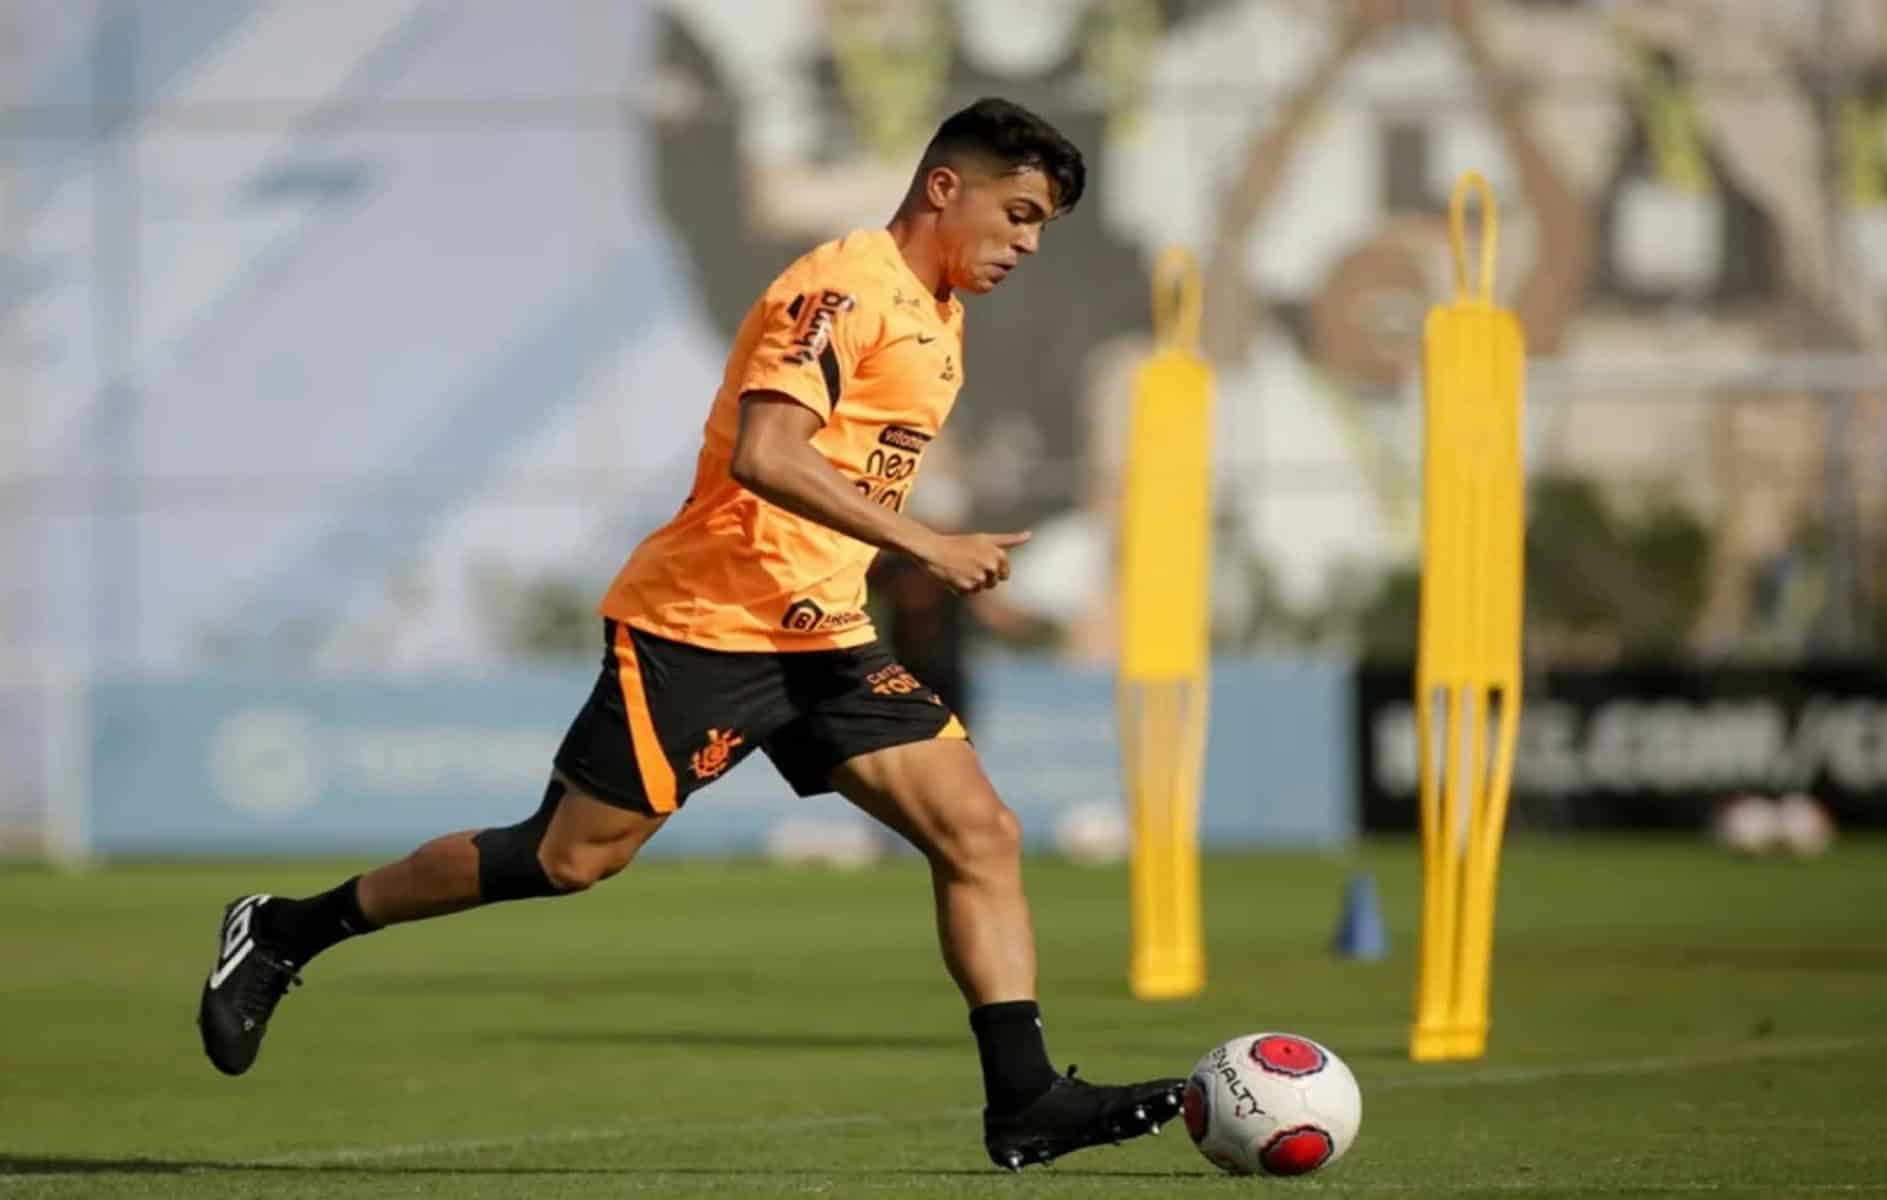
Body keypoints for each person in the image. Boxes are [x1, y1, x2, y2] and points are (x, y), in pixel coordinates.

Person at [196, 97, 1183, 1172]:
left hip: (825, 636)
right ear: (945, 187)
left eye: (1043, 227)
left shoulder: (938, 318)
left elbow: (848, 475)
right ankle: (289, 928)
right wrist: (926, 545)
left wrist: (915, 554)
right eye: (1019, 214)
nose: (1028, 245)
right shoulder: (841, 288)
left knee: (979, 833)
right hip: (708, 623)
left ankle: (1025, 1099)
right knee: (568, 858)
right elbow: (767, 454)